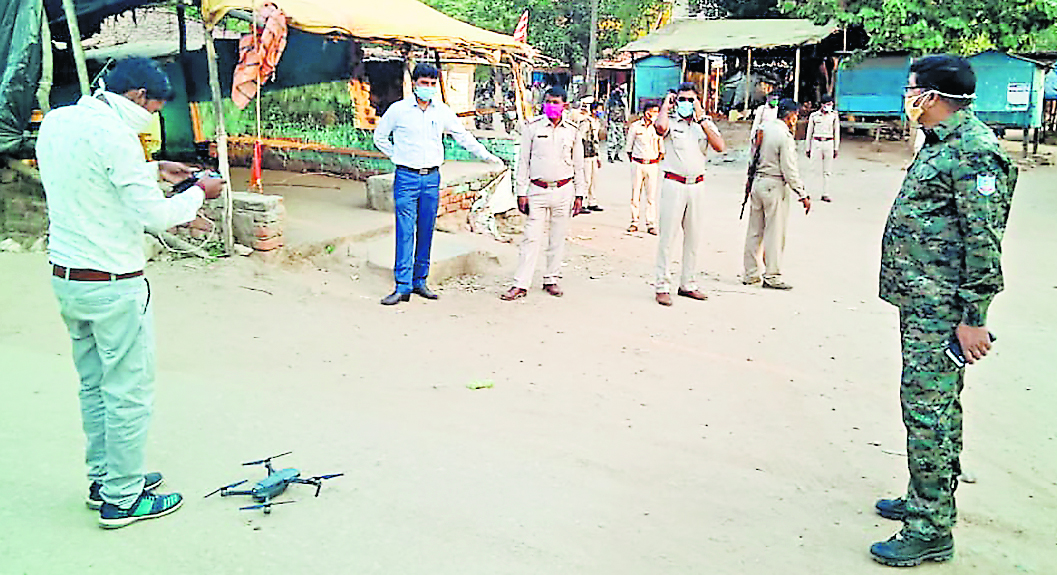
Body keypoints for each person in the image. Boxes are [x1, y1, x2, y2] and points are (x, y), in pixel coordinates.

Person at [36, 57, 225, 529]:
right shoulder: (116, 138)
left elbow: (92, 174)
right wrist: (200, 191)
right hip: (113, 283)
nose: (153, 117)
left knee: (94, 383)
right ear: (139, 96)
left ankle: (104, 478)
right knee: (128, 391)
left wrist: (155, 167)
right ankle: (122, 498)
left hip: (68, 276)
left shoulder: (59, 122)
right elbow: (157, 217)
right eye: (154, 108)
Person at [870, 54, 1018, 568]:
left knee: (928, 411)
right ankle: (926, 498)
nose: (908, 98)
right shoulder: (943, 144)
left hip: (944, 308)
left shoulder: (974, 153)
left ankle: (931, 530)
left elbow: (984, 241)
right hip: (923, 300)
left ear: (931, 96)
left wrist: (974, 317)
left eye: (912, 89)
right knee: (931, 406)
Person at [373, 63, 504, 306]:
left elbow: (462, 136)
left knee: (426, 228)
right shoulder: (399, 110)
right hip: (406, 177)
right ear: (414, 84)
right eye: (424, 83)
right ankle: (402, 286)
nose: (429, 88)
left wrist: (487, 156)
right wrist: (397, 155)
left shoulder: (442, 111)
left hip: (432, 178)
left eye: (433, 84)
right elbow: (379, 137)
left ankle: (420, 280)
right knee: (405, 229)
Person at [500, 86, 586, 300]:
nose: (551, 106)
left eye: (556, 102)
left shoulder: (573, 131)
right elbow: (523, 162)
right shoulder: (532, 127)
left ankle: (551, 279)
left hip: (564, 190)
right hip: (537, 190)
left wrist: (580, 195)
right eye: (548, 102)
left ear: (564, 105)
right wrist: (521, 192)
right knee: (531, 238)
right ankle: (520, 284)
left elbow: (579, 165)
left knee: (557, 237)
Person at [652, 83, 725, 307]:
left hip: (697, 185)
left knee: (693, 238)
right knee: (668, 238)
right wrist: (666, 104)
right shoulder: (672, 123)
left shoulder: (705, 125)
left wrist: (702, 118)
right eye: (681, 99)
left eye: (690, 100)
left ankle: (688, 284)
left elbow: (720, 146)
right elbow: (659, 128)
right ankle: (662, 286)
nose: (685, 104)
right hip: (674, 184)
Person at [742, 98, 811, 291]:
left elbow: (752, 157)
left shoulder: (763, 128)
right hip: (774, 185)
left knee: (754, 231)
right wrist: (802, 193)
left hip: (757, 183)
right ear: (790, 116)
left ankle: (750, 273)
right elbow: (789, 170)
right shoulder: (784, 136)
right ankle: (772, 275)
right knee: (774, 232)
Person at [624, 101, 663, 234]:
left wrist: (654, 161)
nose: (655, 115)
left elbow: (661, 150)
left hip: (652, 165)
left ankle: (650, 223)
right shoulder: (635, 127)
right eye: (653, 111)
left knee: (651, 196)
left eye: (657, 112)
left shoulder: (658, 128)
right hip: (637, 164)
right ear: (646, 112)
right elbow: (628, 148)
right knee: (635, 194)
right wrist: (636, 160)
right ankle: (634, 222)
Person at [805, 94, 840, 202]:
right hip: (817, 142)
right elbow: (809, 132)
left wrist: (836, 148)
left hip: (829, 142)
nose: (830, 106)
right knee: (813, 169)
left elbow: (836, 132)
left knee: (827, 171)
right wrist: (808, 148)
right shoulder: (814, 116)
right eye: (828, 104)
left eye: (831, 104)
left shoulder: (833, 115)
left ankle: (825, 193)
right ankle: (808, 193)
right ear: (822, 105)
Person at [576, 99, 604, 214]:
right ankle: (581, 203)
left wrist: (598, 156)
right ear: (593, 110)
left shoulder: (596, 123)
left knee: (593, 179)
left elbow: (596, 140)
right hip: (585, 155)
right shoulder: (586, 122)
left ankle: (592, 202)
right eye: (599, 110)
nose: (601, 112)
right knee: (586, 180)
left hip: (593, 154)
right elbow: (580, 138)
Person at [606, 86, 628, 163]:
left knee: (621, 141)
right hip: (612, 121)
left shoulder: (622, 102)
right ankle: (609, 156)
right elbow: (607, 112)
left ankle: (616, 155)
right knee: (612, 140)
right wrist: (607, 122)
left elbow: (625, 111)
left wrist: (625, 121)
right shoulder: (610, 101)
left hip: (620, 122)